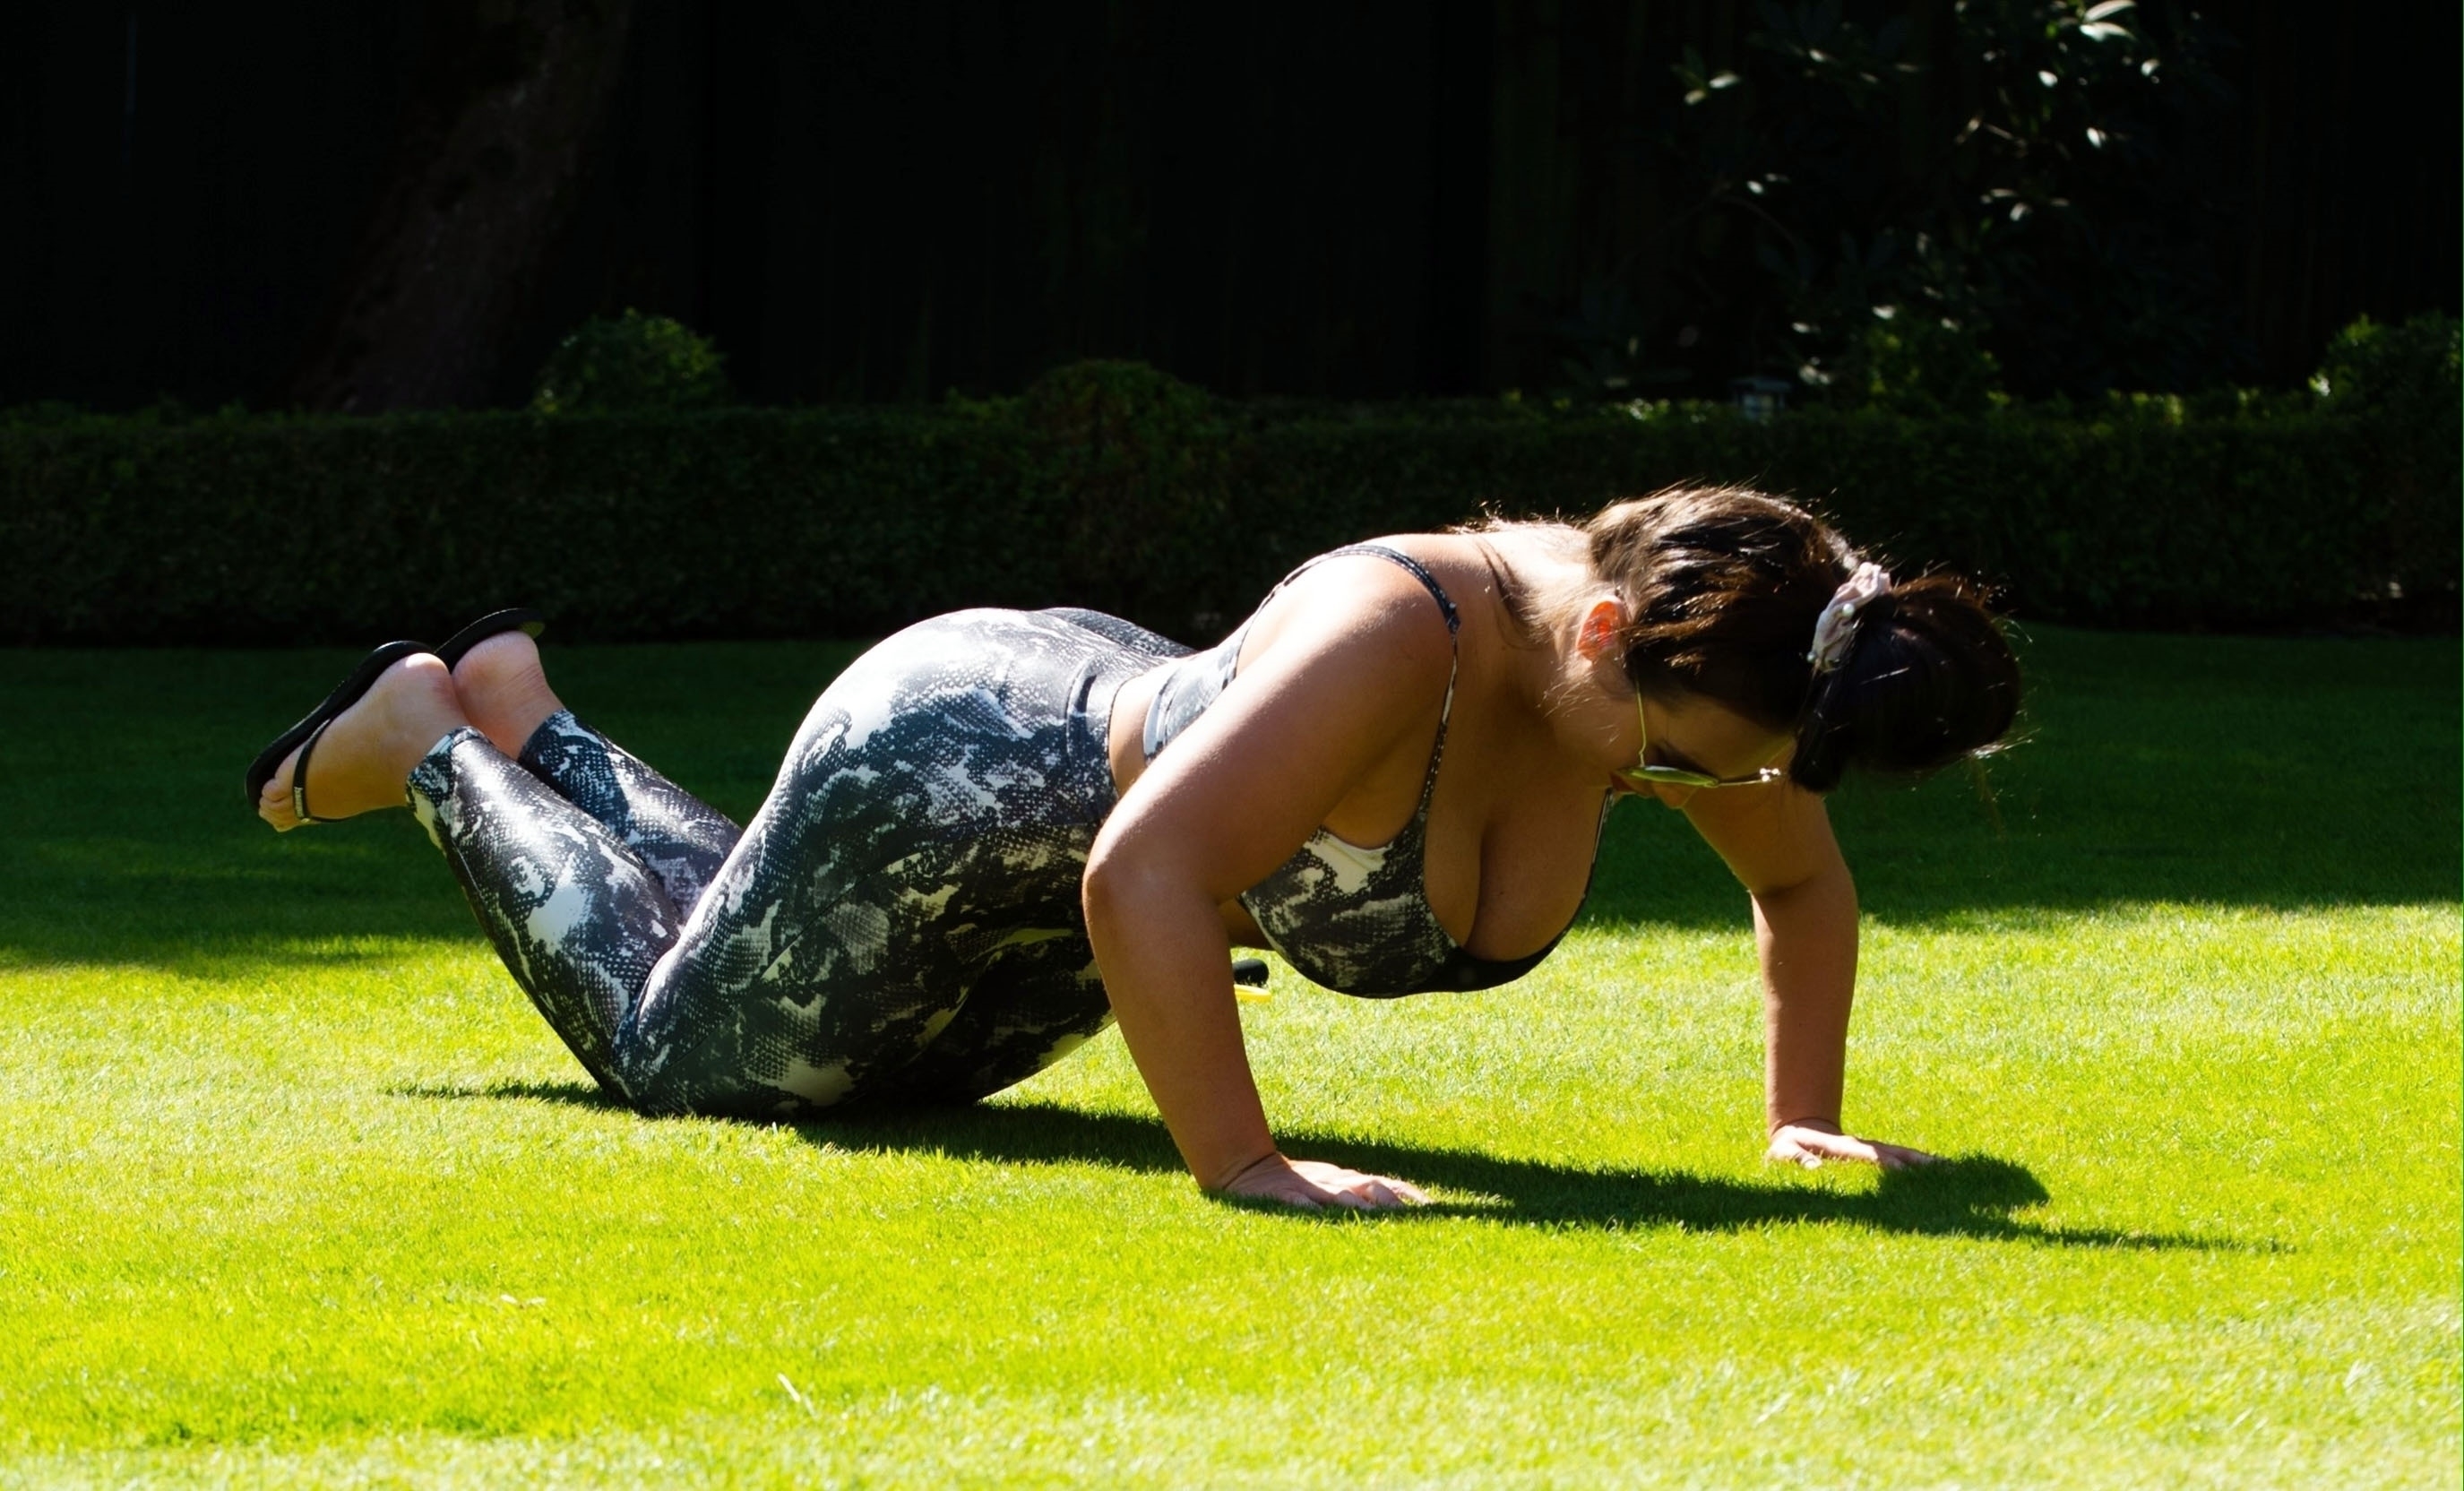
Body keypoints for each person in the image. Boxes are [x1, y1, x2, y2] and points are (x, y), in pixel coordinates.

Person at [247, 487, 2020, 1211]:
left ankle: (530, 711)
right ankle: (430, 743)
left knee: (805, 1022)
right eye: (1693, 765)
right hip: (949, 765)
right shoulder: (1408, 630)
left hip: (1066, 884)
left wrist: (1803, 1110)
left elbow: (1797, 877)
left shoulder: (1711, 661)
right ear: (1605, 636)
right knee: (690, 1062)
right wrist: (1244, 1162)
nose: (1714, 794)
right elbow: (1144, 877)